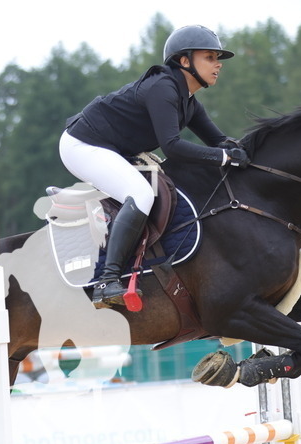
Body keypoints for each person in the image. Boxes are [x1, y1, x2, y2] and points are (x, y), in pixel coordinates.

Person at [60, 25, 249, 309]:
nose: (218, 64)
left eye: (217, 58)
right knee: (141, 193)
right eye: (209, 57)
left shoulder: (189, 102)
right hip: (83, 145)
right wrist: (223, 158)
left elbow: (220, 142)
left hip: (113, 149)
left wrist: (245, 153)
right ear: (184, 61)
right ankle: (107, 281)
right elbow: (172, 147)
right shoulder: (163, 88)